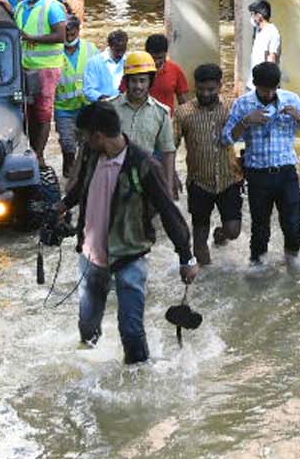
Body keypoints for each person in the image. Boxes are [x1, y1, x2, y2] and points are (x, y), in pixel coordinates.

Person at [59, 102, 197, 363]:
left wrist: (186, 257)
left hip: (129, 259)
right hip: (90, 258)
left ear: (98, 136)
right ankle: (89, 374)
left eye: (85, 135)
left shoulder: (143, 165)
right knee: (87, 329)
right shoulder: (92, 155)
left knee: (131, 332)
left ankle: (137, 390)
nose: (83, 141)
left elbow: (169, 212)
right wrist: (63, 205)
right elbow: (80, 188)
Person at [221, 61, 300, 265]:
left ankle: (292, 265)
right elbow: (227, 138)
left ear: (278, 86)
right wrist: (246, 121)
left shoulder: (291, 100)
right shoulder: (243, 104)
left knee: (293, 224)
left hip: (286, 172)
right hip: (257, 174)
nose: (268, 94)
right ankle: (258, 270)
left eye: (273, 89)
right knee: (260, 228)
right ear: (255, 85)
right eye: (264, 90)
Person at [175, 63, 244, 264]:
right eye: (201, 89)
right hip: (199, 182)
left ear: (220, 86)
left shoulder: (231, 108)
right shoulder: (183, 113)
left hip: (229, 179)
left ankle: (221, 233)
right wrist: (169, 174)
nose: (206, 94)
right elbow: (171, 144)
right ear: (194, 86)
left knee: (233, 231)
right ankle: (207, 278)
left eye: (211, 90)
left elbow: (246, 133)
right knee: (199, 238)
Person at [16, 0, 70, 159]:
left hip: (46, 67)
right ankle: (29, 150)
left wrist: (33, 38)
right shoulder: (20, 7)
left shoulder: (52, 6)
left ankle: (39, 155)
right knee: (26, 112)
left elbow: (60, 36)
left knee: (43, 113)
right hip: (24, 67)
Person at [115, 50, 180, 197]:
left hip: (146, 180)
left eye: (142, 81)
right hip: (115, 179)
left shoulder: (161, 112)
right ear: (127, 82)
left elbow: (167, 151)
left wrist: (168, 188)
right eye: (133, 81)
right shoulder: (111, 109)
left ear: (150, 82)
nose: (138, 86)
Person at [55, 16, 96, 179]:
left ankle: (82, 175)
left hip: (86, 107)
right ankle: (69, 172)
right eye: (66, 34)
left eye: (72, 34)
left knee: (86, 144)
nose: (68, 38)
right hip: (64, 108)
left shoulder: (91, 49)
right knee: (67, 143)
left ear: (78, 31)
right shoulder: (54, 51)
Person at [145, 33, 193, 111]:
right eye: (153, 58)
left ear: (166, 53)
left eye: (160, 58)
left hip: (167, 121)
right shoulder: (136, 71)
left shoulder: (175, 70)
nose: (157, 62)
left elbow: (184, 102)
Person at [84, 27, 123, 103]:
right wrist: (103, 98)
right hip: (101, 108)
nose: (120, 54)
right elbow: (88, 90)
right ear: (110, 46)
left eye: (123, 50)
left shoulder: (128, 62)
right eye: (117, 50)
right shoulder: (94, 62)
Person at [249, 0, 281, 69]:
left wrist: (267, 78)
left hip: (264, 77)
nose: (251, 17)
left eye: (252, 14)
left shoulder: (272, 32)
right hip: (256, 76)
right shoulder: (260, 30)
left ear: (259, 15)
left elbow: (272, 57)